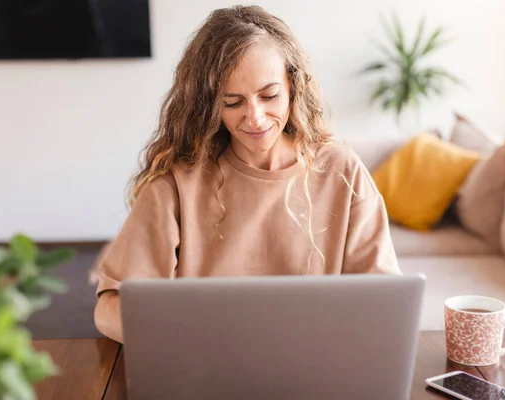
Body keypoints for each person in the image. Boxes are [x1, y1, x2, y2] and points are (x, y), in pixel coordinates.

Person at [94, 5, 400, 343]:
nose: (254, 118)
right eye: (233, 102)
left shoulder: (344, 173)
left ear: (293, 86)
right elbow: (110, 305)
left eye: (269, 95)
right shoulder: (177, 185)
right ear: (209, 105)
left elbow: (384, 304)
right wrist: (190, 339)